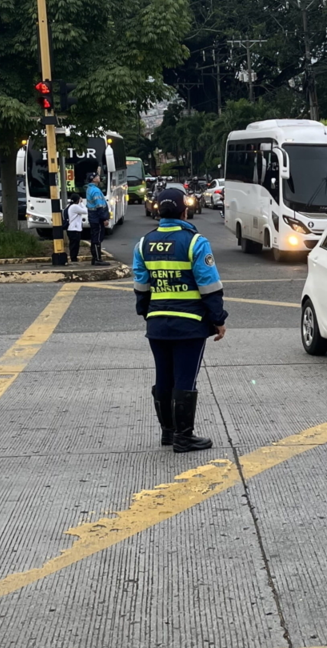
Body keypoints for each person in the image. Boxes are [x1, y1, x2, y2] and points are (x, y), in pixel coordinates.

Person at [134, 186, 227, 453]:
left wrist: (147, 315)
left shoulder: (144, 243)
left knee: (164, 377)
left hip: (157, 324)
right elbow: (209, 286)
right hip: (189, 325)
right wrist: (218, 319)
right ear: (184, 210)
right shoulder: (196, 242)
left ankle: (168, 432)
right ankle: (184, 438)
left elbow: (141, 287)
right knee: (185, 380)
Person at [85, 171, 109, 266]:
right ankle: (97, 259)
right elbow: (100, 206)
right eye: (97, 176)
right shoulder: (95, 191)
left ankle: (95, 258)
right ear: (93, 179)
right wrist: (104, 219)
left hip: (93, 217)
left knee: (95, 237)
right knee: (97, 239)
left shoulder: (89, 189)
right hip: (97, 218)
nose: (99, 177)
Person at [64, 194, 88, 262]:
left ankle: (74, 257)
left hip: (71, 229)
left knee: (74, 245)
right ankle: (73, 258)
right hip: (74, 229)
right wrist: (82, 203)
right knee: (74, 245)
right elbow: (86, 211)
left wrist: (79, 203)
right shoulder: (74, 207)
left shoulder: (70, 206)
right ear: (77, 200)